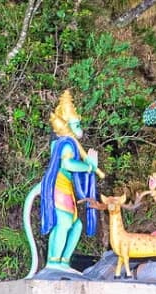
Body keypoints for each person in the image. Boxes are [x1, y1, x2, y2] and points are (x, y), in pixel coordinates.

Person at [39, 90, 100, 270]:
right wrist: (89, 166)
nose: (79, 127)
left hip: (66, 187)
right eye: (76, 124)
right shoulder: (65, 143)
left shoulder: (68, 143)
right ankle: (54, 261)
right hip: (59, 186)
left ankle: (63, 261)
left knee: (76, 225)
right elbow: (67, 164)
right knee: (65, 222)